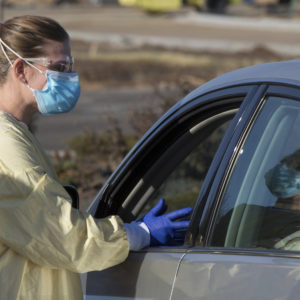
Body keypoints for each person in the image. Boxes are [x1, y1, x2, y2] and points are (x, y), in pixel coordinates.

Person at [0, 15, 192, 299]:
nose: (67, 77)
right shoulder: (7, 144)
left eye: (69, 65)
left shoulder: (18, 134)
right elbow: (63, 237)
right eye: (57, 67)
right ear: (21, 70)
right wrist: (138, 234)